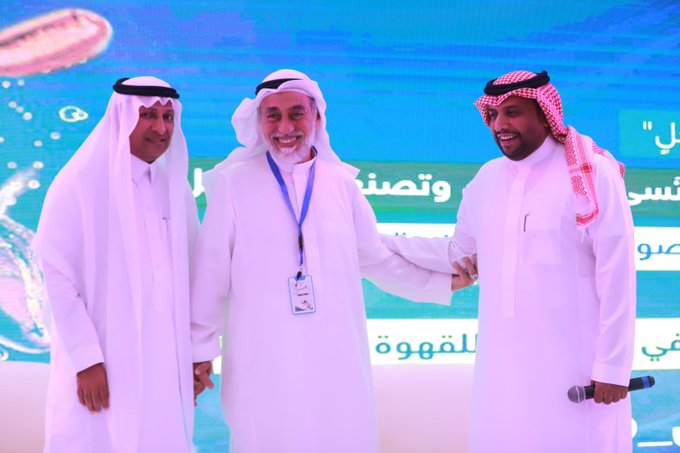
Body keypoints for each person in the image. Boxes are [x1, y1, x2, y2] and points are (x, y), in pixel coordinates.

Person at [190, 69, 477, 453]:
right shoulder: (233, 183)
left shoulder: (341, 183)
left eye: (296, 113)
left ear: (317, 118)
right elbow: (211, 276)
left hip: (335, 355)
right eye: (273, 115)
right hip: (263, 357)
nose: (285, 127)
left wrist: (440, 283)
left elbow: (374, 259)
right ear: (259, 122)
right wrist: (200, 352)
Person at [383, 70, 636, 452]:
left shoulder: (591, 174)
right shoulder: (486, 180)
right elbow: (458, 254)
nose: (500, 124)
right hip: (502, 372)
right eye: (493, 115)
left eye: (513, 112)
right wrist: (378, 243)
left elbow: (617, 273)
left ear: (545, 116)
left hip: (577, 368)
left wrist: (613, 366)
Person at [32, 77, 199, 453]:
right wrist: (86, 359)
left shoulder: (175, 188)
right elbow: (58, 276)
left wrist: (194, 353)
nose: (160, 128)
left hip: (162, 362)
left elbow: (191, 275)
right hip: (103, 361)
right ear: (122, 117)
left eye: (168, 117)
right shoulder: (78, 183)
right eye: (147, 115)